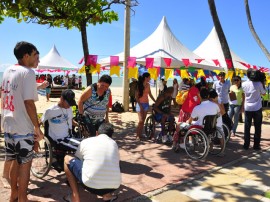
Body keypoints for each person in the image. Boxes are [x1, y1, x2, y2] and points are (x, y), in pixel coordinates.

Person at [1, 41, 44, 202]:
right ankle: (23, 198)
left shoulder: (7, 71)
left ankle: (14, 194)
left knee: (14, 161)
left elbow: (3, 95)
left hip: (8, 125)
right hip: (22, 127)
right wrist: (37, 127)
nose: (37, 60)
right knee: (25, 164)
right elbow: (29, 103)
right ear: (26, 56)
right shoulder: (28, 73)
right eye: (35, 56)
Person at [63, 123, 121, 202]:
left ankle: (75, 197)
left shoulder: (86, 141)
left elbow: (78, 158)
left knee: (67, 158)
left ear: (97, 133)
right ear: (111, 136)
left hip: (90, 185)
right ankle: (107, 196)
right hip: (114, 186)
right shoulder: (114, 144)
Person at [40, 89, 79, 170]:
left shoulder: (69, 108)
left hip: (69, 136)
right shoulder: (50, 111)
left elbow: (70, 120)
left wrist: (78, 124)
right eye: (68, 103)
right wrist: (39, 135)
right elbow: (39, 123)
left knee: (86, 143)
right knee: (81, 147)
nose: (69, 106)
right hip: (58, 139)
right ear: (61, 99)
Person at [187, 88, 225, 155]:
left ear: (200, 96)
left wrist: (188, 122)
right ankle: (221, 151)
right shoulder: (215, 105)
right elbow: (221, 113)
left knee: (189, 125)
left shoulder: (197, 108)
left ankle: (191, 143)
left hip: (202, 127)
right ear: (208, 96)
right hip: (213, 126)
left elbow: (190, 120)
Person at [242, 69, 266, 150]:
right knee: (257, 127)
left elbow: (243, 94)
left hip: (248, 108)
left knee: (247, 127)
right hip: (257, 108)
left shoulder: (244, 83)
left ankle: (246, 145)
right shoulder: (259, 83)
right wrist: (263, 83)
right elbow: (264, 93)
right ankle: (256, 146)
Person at [135, 72, 156, 140]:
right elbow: (136, 97)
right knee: (140, 121)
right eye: (149, 77)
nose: (150, 78)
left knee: (143, 121)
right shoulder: (139, 85)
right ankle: (137, 135)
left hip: (146, 104)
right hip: (139, 104)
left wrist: (155, 101)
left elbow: (150, 94)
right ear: (145, 78)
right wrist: (140, 105)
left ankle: (140, 134)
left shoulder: (148, 85)